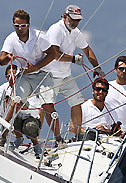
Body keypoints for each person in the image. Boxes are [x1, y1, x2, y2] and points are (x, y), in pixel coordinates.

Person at [0, 9, 63, 146]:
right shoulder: (11, 39)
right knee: (16, 102)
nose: (20, 29)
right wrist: (8, 57)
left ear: (28, 25)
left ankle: (58, 139)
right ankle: (2, 135)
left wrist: (36, 67)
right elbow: (1, 60)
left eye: (23, 26)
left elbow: (52, 54)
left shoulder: (39, 36)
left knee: (48, 106)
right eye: (17, 26)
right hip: (25, 75)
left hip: (42, 73)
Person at [44, 5, 105, 136]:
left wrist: (97, 68)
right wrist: (73, 59)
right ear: (65, 17)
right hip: (50, 75)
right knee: (47, 107)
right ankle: (56, 138)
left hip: (65, 76)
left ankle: (78, 135)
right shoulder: (56, 29)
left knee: (77, 102)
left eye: (78, 20)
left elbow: (87, 50)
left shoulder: (76, 32)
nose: (75, 23)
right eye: (73, 19)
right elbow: (53, 53)